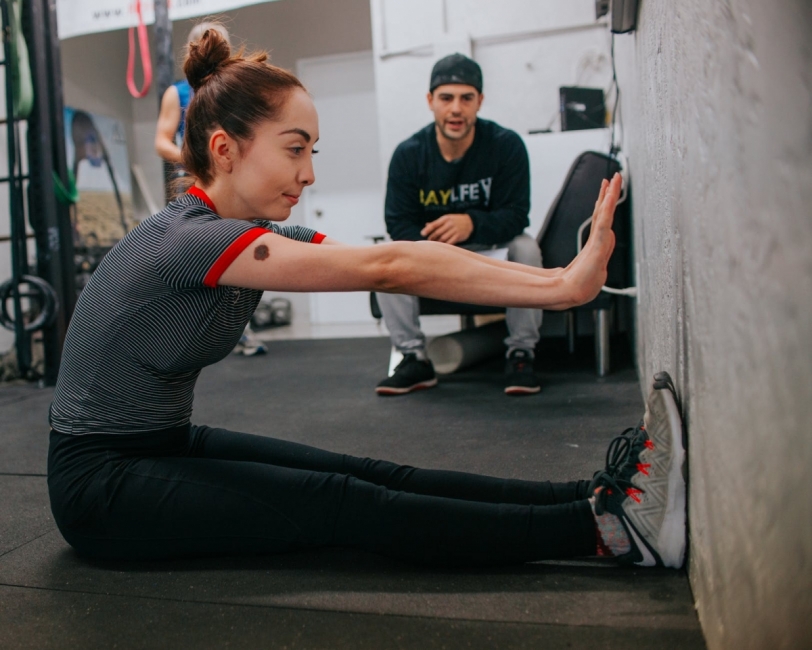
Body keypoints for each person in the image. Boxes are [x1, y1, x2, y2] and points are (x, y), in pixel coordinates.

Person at [47, 27, 686, 569]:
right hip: (100, 485)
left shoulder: (256, 234)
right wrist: (562, 287)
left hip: (162, 443)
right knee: (339, 502)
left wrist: (560, 282)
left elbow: (405, 264)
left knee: (372, 474)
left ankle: (597, 495)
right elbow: (389, 263)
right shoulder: (189, 240)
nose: (310, 173)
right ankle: (609, 534)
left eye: (312, 152)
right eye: (295, 150)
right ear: (225, 149)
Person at [375, 53, 542, 397]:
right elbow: (397, 222)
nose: (456, 109)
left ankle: (521, 353)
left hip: (486, 247)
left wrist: (471, 223)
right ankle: (413, 357)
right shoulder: (409, 154)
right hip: (432, 251)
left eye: (466, 98)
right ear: (430, 102)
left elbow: (516, 214)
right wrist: (435, 250)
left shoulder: (505, 145)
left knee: (526, 247)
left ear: (479, 101)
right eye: (446, 98)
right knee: (382, 255)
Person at [154, 22, 264, 356]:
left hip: (233, 182)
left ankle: (239, 330)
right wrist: (196, 160)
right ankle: (190, 332)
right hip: (195, 185)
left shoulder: (237, 88)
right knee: (194, 256)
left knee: (241, 250)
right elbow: (161, 141)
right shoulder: (177, 93)